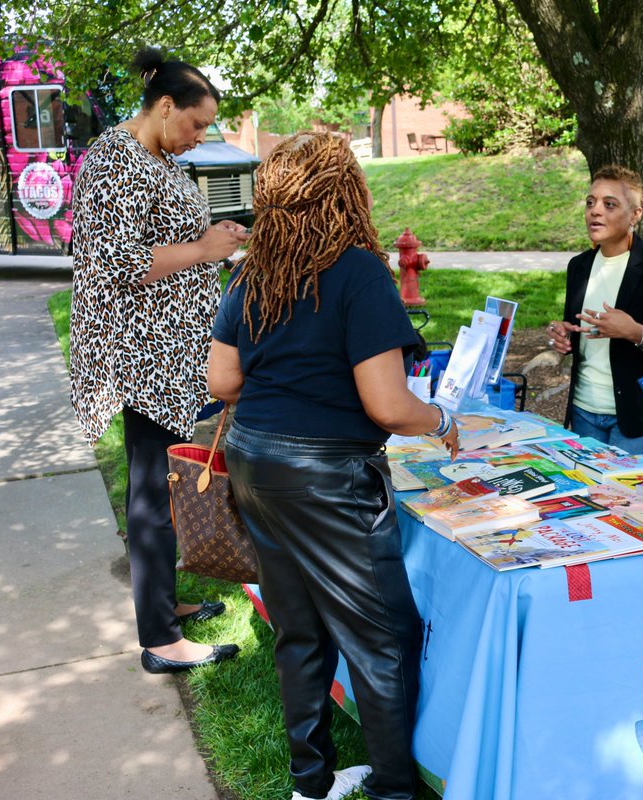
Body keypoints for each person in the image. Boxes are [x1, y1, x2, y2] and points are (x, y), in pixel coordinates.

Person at [207, 132, 460, 800]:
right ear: (346, 190)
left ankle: (310, 783)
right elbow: (387, 405)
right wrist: (442, 421)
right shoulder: (358, 271)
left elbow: (222, 378)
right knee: (383, 640)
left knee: (299, 630)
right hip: (325, 477)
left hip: (255, 462)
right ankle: (393, 789)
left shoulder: (254, 270)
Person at [69, 47, 248, 674]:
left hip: (172, 348)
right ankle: (161, 641)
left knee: (165, 484)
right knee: (150, 490)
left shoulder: (157, 157)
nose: (201, 137)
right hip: (142, 354)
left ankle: (165, 606)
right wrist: (204, 247)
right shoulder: (114, 161)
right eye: (197, 124)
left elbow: (168, 244)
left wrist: (214, 243)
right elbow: (117, 264)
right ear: (164, 106)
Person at [546, 165, 643, 457]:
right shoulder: (579, 266)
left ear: (636, 214)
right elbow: (581, 331)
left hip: (639, 418)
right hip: (584, 411)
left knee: (632, 503)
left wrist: (636, 333)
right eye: (590, 202)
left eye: (609, 204)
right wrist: (563, 336)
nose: (595, 211)